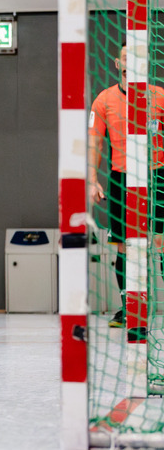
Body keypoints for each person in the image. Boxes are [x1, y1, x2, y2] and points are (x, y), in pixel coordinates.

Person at [88, 46, 164, 332]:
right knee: (127, 249)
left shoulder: (159, 96)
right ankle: (132, 310)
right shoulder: (104, 100)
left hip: (158, 177)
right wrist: (92, 178)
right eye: (126, 55)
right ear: (117, 62)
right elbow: (94, 141)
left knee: (160, 244)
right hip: (122, 181)